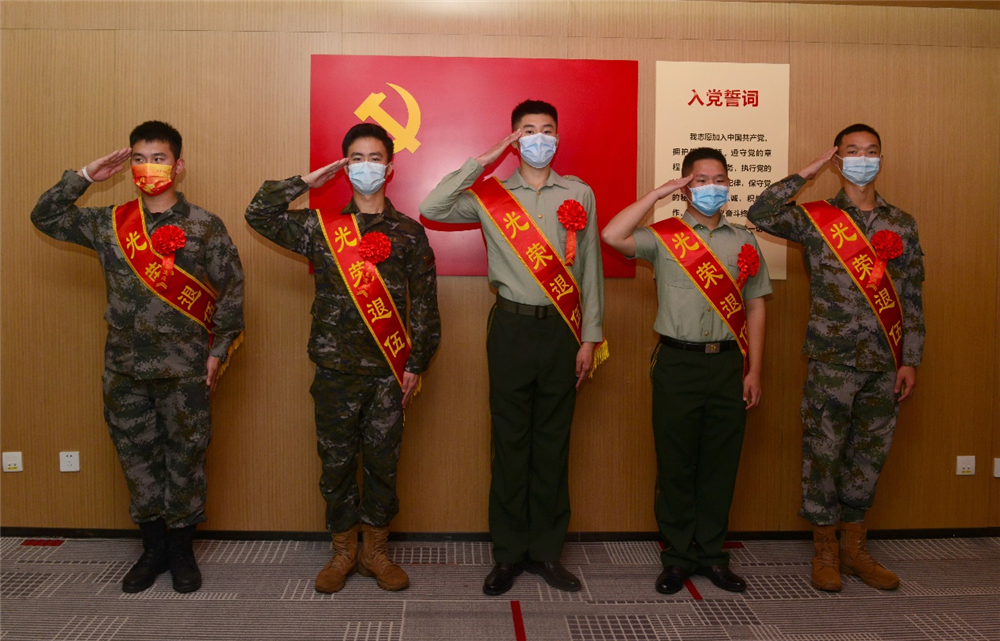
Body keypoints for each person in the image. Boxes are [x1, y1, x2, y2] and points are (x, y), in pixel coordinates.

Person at [31, 121, 245, 594]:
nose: (149, 167)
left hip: (185, 368)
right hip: (125, 369)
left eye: (159, 158)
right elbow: (45, 216)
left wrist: (219, 350)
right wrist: (86, 176)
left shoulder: (204, 225)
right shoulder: (110, 223)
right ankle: (152, 550)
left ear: (178, 166)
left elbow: (231, 290)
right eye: (140, 159)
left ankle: (181, 551)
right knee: (137, 460)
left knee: (186, 458)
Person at [420, 100, 604, 596]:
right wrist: (485, 159)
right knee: (509, 443)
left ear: (558, 137)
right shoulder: (492, 196)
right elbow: (432, 207)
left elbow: (589, 268)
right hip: (510, 329)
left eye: (547, 130)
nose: (539, 138)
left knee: (552, 443)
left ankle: (546, 552)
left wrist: (591, 337)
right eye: (528, 130)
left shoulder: (579, 193)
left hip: (563, 331)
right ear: (515, 138)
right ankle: (507, 554)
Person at [245, 123, 440, 593]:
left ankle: (375, 552)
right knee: (335, 464)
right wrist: (305, 183)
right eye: (356, 158)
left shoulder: (409, 233)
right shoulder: (320, 228)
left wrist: (416, 364)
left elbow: (425, 305)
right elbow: (259, 214)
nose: (366, 166)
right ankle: (342, 552)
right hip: (335, 370)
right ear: (344, 166)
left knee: (382, 464)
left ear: (389, 168)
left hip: (388, 373)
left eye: (375, 158)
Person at [748, 124, 925, 592]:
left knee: (869, 456)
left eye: (872, 151)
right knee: (823, 454)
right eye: (853, 151)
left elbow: (911, 296)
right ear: (838, 159)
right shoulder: (816, 218)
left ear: (881, 158)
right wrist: (806, 173)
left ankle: (855, 549)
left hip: (885, 361)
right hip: (831, 360)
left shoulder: (901, 223)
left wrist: (910, 358)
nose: (863, 159)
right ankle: (825, 549)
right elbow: (761, 212)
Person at [602, 148, 770, 594]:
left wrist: (754, 369)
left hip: (729, 363)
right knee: (675, 464)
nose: (712, 187)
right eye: (700, 180)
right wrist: (659, 194)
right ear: (685, 186)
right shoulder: (664, 236)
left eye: (719, 179)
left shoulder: (744, 241)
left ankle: (712, 555)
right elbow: (613, 235)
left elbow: (755, 306)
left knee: (720, 464)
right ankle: (677, 557)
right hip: (677, 362)